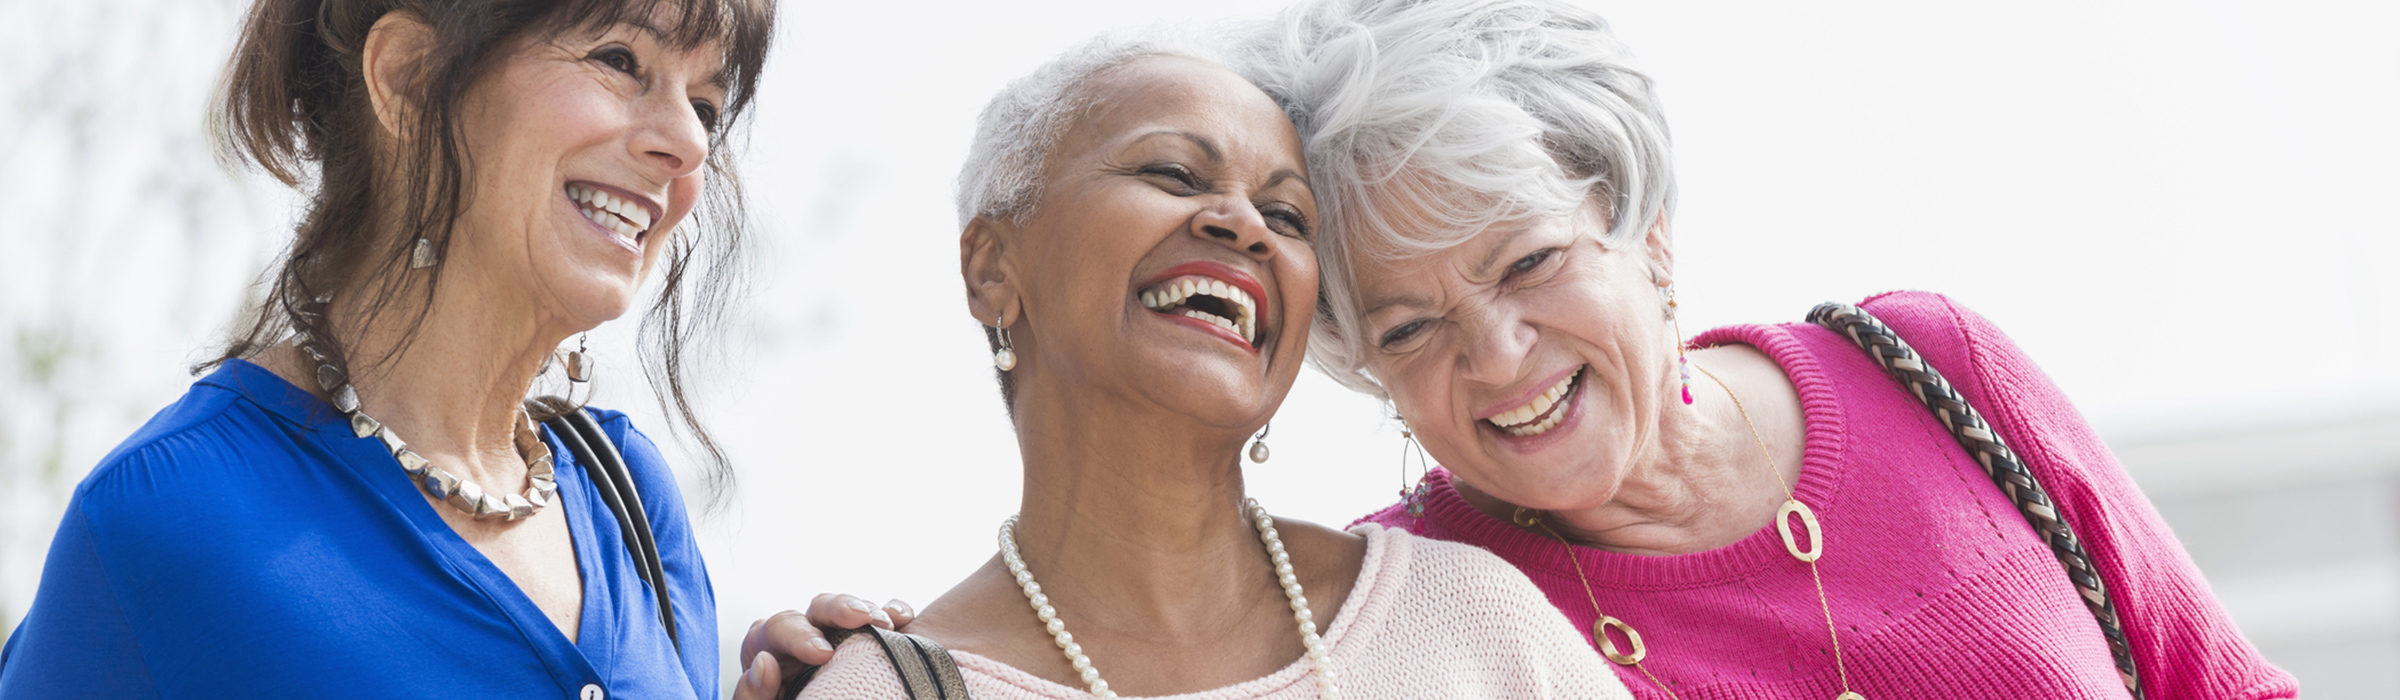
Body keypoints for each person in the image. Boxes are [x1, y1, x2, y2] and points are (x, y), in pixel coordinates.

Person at [1253, 0, 2301, 697]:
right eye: (1410, 326)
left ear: (1645, 230)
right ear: (1364, 365)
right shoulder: (1399, 610)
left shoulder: (1932, 369)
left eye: (1527, 261)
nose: (1494, 353)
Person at [789, 34, 1630, 699]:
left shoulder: (1464, 618)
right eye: (1173, 172)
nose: (1243, 225)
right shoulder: (884, 689)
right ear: (991, 268)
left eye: (1286, 215)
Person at [0, 0, 772, 696]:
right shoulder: (168, 514)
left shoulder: (629, 501)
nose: (686, 144)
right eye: (620, 60)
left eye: (704, 104)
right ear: (407, 77)